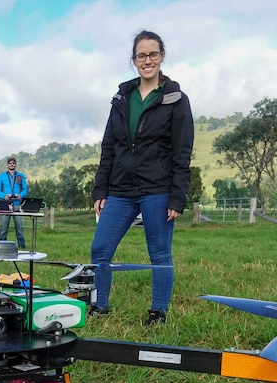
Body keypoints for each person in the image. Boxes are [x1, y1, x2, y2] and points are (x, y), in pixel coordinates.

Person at [89, 30, 194, 325]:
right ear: (134, 60)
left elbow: (182, 151)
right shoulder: (122, 97)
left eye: (153, 54)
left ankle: (158, 312)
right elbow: (109, 146)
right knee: (100, 248)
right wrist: (101, 189)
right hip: (120, 189)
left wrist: (177, 196)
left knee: (159, 253)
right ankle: (101, 305)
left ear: (162, 56)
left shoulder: (175, 99)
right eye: (141, 55)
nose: (147, 60)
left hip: (157, 189)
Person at [0, 156, 29, 249]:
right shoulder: (2, 176)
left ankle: (22, 246)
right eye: (10, 163)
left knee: (19, 228)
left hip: (17, 205)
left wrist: (20, 195)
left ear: (16, 164)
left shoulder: (21, 176)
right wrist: (3, 196)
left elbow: (25, 189)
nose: (12, 164)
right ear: (7, 165)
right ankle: (1, 247)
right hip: (6, 205)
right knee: (4, 228)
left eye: (13, 163)